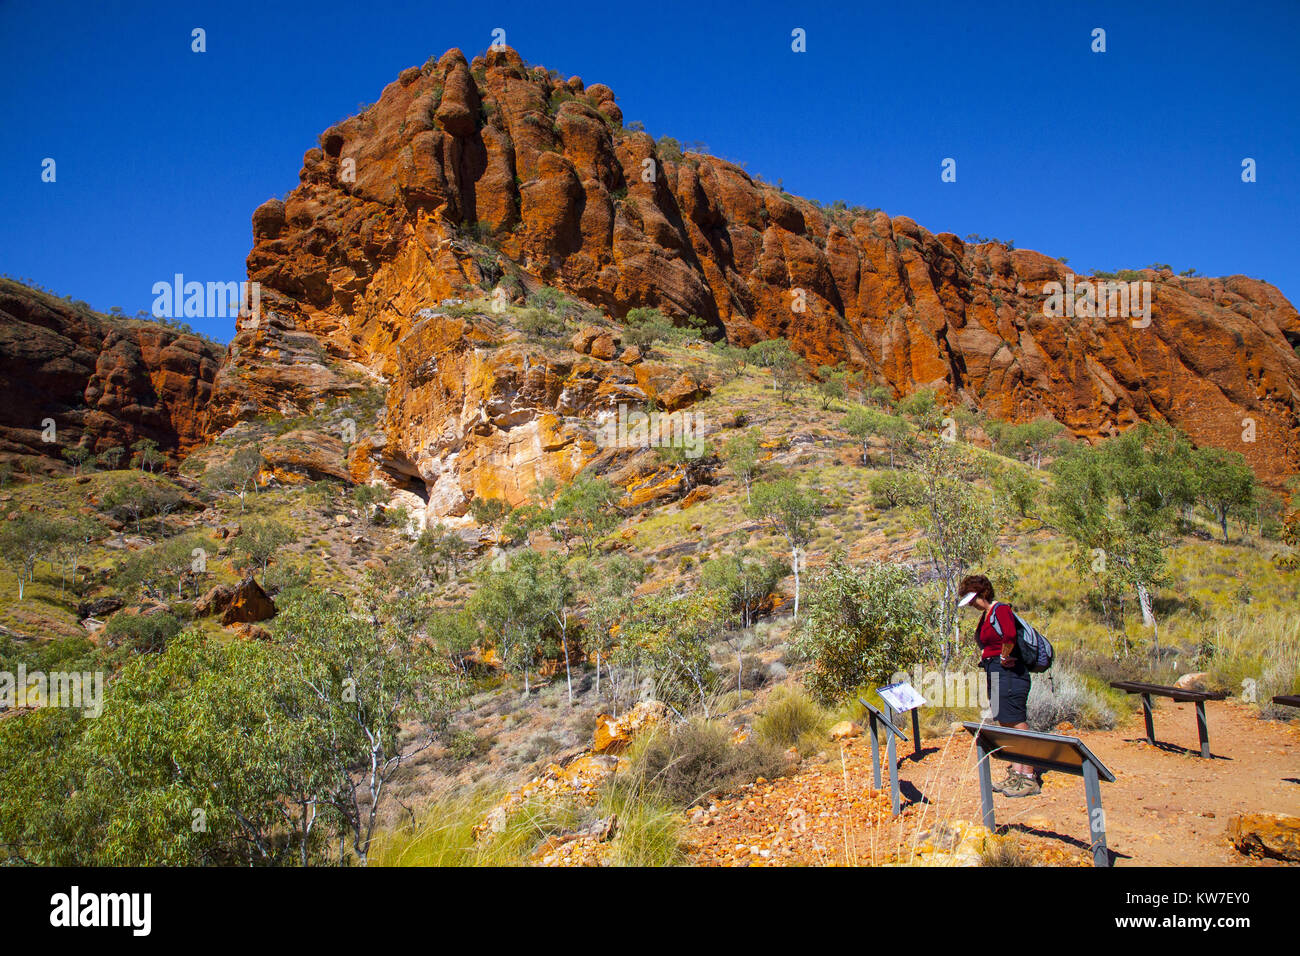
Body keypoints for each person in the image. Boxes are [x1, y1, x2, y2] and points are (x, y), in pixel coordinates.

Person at [957, 574, 1039, 798]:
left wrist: (1004, 657)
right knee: (1004, 721)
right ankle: (1016, 772)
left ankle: (1028, 776)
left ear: (981, 593)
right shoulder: (986, 615)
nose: (972, 605)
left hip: (1010, 673)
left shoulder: (1001, 609)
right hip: (995, 672)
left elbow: (1009, 635)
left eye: (972, 599)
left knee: (1016, 721)